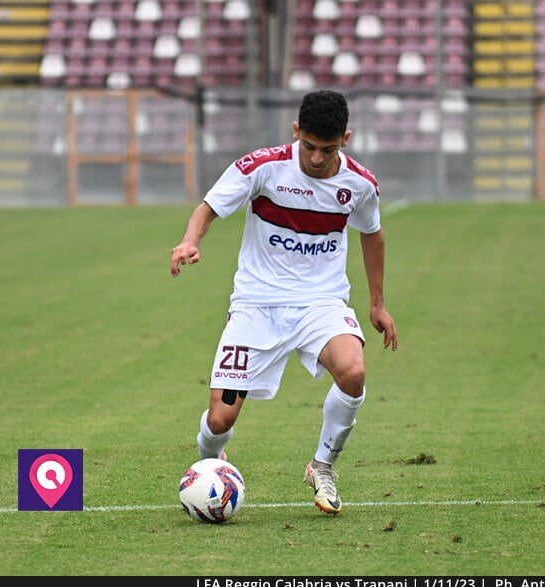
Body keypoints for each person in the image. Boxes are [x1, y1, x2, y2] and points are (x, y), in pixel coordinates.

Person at [169, 90, 399, 515]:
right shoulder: (262, 167)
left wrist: (377, 304)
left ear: (345, 139)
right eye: (309, 146)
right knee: (219, 421)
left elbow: (373, 234)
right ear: (296, 132)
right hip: (256, 305)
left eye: (327, 149)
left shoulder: (360, 184)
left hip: (320, 303)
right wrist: (189, 241)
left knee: (353, 371)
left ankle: (323, 466)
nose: (315, 158)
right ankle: (206, 462)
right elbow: (209, 207)